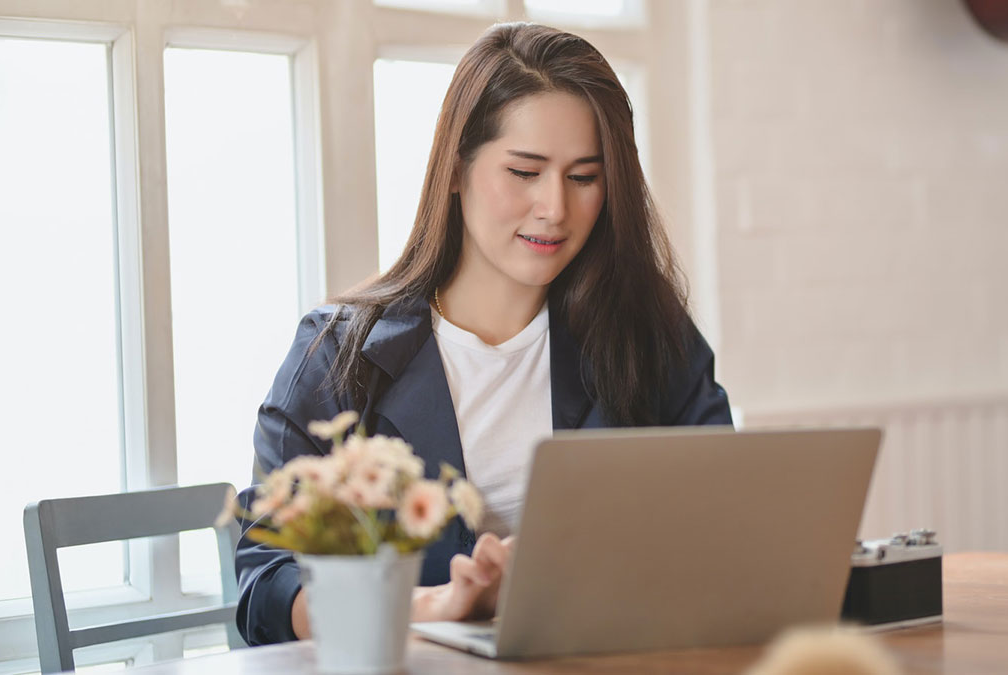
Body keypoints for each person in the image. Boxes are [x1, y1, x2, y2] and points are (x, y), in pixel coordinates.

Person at [235, 21, 732, 647]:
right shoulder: (338, 354)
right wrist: (435, 604)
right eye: (524, 172)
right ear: (456, 170)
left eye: (584, 177)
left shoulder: (647, 337)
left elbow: (722, 522)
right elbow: (267, 586)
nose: (555, 207)